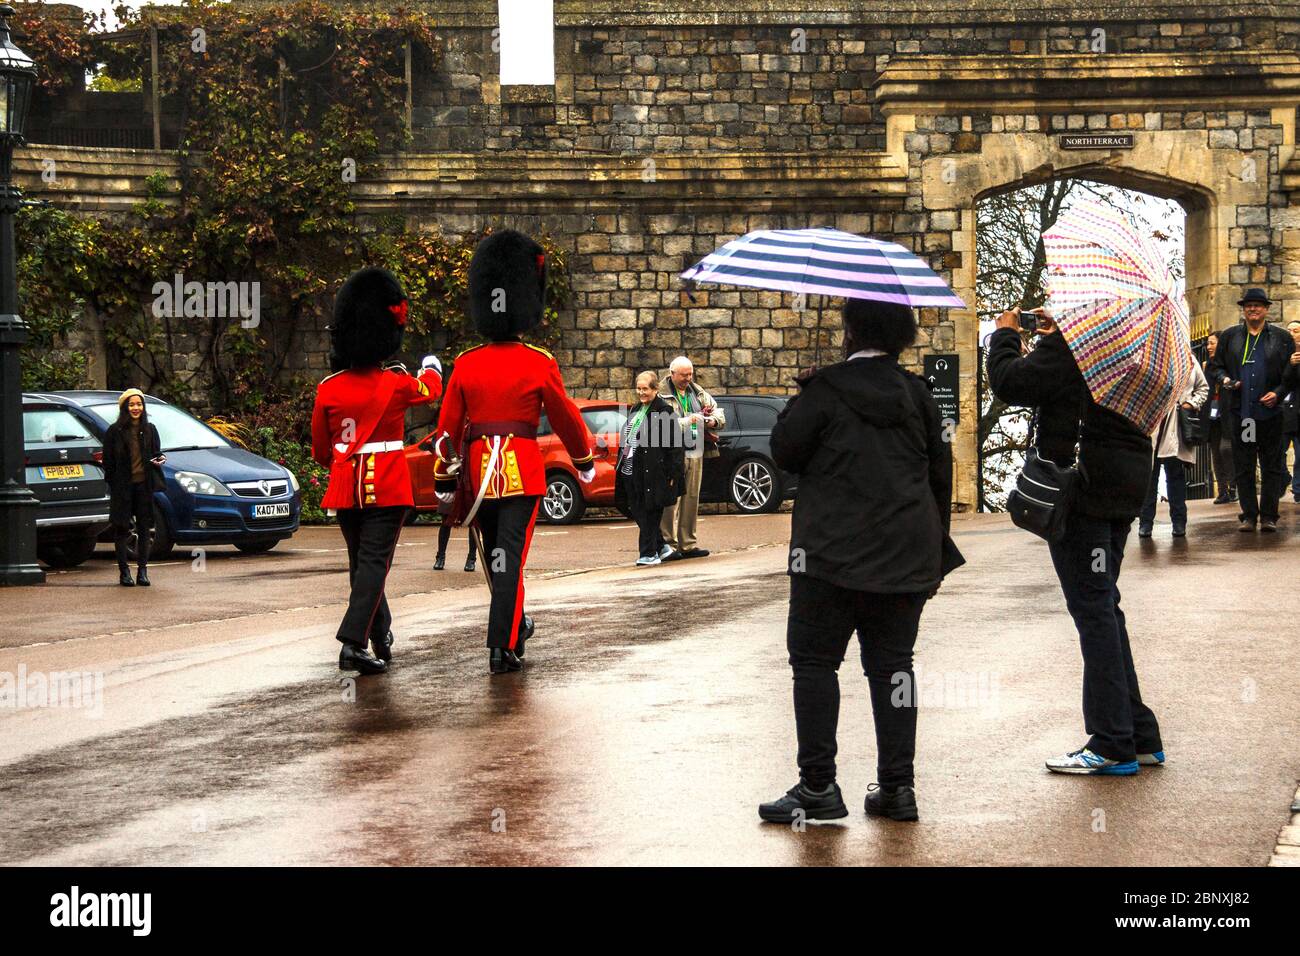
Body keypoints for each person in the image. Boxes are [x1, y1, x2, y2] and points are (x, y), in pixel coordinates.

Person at [758, 300, 964, 825]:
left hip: (828, 555)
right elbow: (941, 476)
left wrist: (801, 393)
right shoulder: (919, 395)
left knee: (814, 664)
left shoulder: (825, 390)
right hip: (905, 554)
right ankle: (897, 789)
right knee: (894, 667)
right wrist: (933, 554)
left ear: (849, 330)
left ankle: (818, 786)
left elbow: (784, 450)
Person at [987, 306, 1162, 776]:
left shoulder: (1077, 344)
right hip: (1126, 484)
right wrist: (1054, 334)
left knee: (1093, 610)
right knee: (1104, 603)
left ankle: (1111, 742)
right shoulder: (1135, 343)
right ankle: (1139, 733)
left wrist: (1003, 335)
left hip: (1081, 489)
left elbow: (1010, 383)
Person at [431, 230, 595, 675]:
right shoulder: (538, 361)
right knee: (510, 559)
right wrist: (583, 462)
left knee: (495, 559)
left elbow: (445, 432)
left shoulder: (466, 363)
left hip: (479, 474)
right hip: (521, 472)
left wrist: (444, 481)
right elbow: (566, 418)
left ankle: (515, 625)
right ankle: (502, 646)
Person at [311, 267, 443, 676]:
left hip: (346, 488)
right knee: (373, 564)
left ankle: (379, 635)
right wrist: (433, 364)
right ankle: (352, 643)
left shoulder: (328, 388)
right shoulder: (396, 384)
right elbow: (432, 390)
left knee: (363, 564)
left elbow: (320, 451)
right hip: (385, 485)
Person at [1205, 288, 1296, 532]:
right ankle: (1248, 515)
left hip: (1270, 414)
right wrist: (1225, 380)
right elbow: (1215, 367)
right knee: (1244, 466)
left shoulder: (1282, 338)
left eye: (1258, 305)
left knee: (1271, 466)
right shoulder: (1230, 337)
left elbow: (1291, 375)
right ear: (1243, 309)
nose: (1253, 309)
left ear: (1266, 309)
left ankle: (1269, 516)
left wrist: (1277, 393)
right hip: (1242, 414)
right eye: (1248, 305)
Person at [658, 356, 725, 562]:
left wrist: (712, 420)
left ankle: (688, 544)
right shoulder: (661, 395)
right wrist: (688, 421)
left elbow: (719, 413)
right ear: (672, 374)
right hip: (671, 452)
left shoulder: (697, 392)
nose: (688, 378)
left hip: (695, 449)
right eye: (684, 375)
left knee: (692, 498)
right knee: (671, 499)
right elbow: (662, 424)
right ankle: (668, 544)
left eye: (690, 374)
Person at [614, 371, 684, 567]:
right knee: (636, 510)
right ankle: (662, 547)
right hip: (630, 472)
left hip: (654, 474)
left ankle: (648, 553)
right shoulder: (635, 409)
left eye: (645, 388)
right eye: (639, 388)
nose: (641, 392)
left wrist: (672, 474)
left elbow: (675, 446)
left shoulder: (665, 412)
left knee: (650, 512)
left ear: (655, 389)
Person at [102, 388, 166, 588]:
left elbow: (156, 452)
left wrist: (160, 459)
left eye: (139, 404)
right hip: (122, 487)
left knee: (145, 528)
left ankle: (143, 571)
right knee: (121, 528)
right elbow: (108, 462)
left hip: (144, 486)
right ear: (124, 407)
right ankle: (124, 572)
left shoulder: (150, 429)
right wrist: (115, 484)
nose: (136, 408)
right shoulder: (114, 431)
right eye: (132, 404)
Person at [1139, 357, 1208, 538]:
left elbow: (1203, 388)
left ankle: (1179, 522)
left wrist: (1190, 404)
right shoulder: (1149, 357)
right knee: (1149, 478)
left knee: (1175, 476)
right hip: (1152, 424)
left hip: (1175, 427)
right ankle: (1145, 522)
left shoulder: (1190, 360)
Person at [1201, 331, 1236, 504]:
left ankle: (1233, 486)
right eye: (1207, 343)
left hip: (1227, 413)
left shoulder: (1230, 364)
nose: (1208, 347)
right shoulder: (1206, 365)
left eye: (1212, 343)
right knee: (1215, 452)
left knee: (1226, 448)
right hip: (1211, 414)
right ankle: (1222, 491)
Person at [1282, 319, 1300, 502]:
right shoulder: (1280, 353)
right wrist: (1289, 364)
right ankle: (1283, 478)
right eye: (1289, 331)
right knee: (1277, 452)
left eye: (1295, 331)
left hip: (1298, 412)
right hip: (1282, 413)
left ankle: (1298, 489)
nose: (1292, 334)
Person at [433, 503, 476, 572]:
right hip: (452, 494)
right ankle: (440, 557)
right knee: (446, 521)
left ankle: (472, 558)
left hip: (469, 492)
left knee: (474, 522)